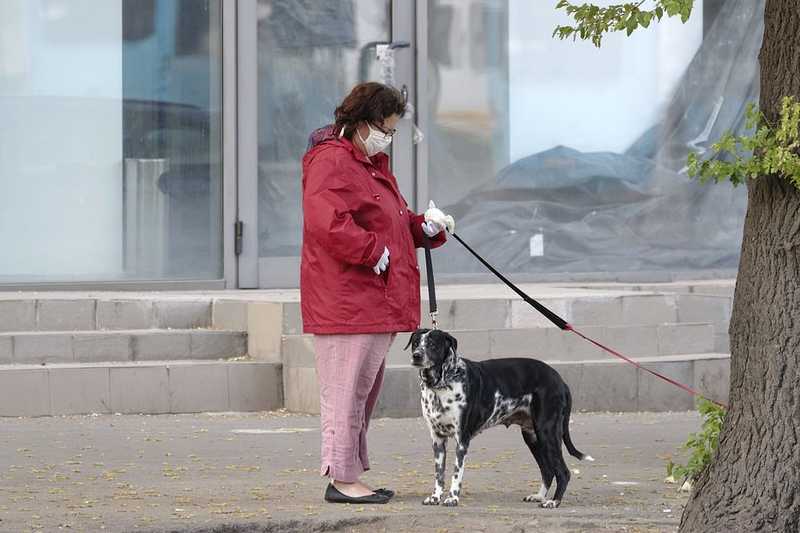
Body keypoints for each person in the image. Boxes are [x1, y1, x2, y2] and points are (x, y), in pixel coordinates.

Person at [301, 82, 455, 504]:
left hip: (372, 300)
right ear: (361, 121)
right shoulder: (331, 161)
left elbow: (391, 220)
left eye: (392, 129)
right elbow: (325, 222)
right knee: (345, 394)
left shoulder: (372, 164)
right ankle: (341, 479)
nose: (388, 136)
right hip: (347, 301)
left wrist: (422, 226)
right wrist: (373, 252)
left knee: (361, 394)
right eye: (384, 128)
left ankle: (349, 473)